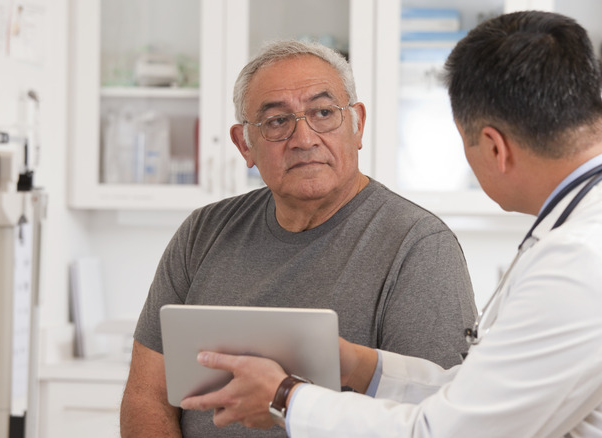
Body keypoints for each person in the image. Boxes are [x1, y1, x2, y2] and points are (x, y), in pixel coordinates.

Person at [177, 10, 602, 437]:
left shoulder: (591, 262)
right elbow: (479, 397)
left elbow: (448, 431)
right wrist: (362, 367)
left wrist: (284, 398)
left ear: (493, 147)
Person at [119, 40, 477, 437]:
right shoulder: (202, 233)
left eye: (324, 113)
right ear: (244, 145)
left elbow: (435, 420)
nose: (304, 139)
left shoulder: (419, 247)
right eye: (276, 122)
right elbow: (146, 395)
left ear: (357, 125)